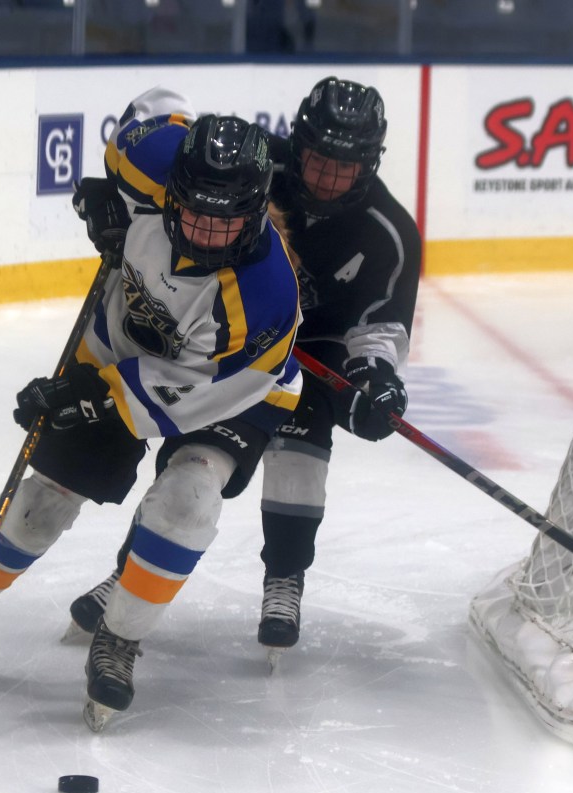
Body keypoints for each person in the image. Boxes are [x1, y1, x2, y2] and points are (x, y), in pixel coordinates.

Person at [0, 87, 303, 729]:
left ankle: (120, 637)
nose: (204, 232)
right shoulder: (153, 156)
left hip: (233, 387)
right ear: (176, 185)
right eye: (193, 212)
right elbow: (156, 107)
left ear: (254, 213)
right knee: (41, 503)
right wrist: (107, 199)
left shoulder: (263, 300)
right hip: (121, 344)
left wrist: (84, 397)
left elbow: (181, 389)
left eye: (225, 222)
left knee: (188, 500)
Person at [66, 76, 421, 664]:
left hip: (315, 346)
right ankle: (129, 576)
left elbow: (379, 329)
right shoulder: (252, 164)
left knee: (302, 437)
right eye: (317, 158)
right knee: (190, 456)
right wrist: (111, 199)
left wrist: (374, 378)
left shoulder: (389, 232)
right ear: (296, 141)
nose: (326, 177)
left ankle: (284, 577)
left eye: (345, 167)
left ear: (371, 164)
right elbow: (166, 168)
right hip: (217, 331)